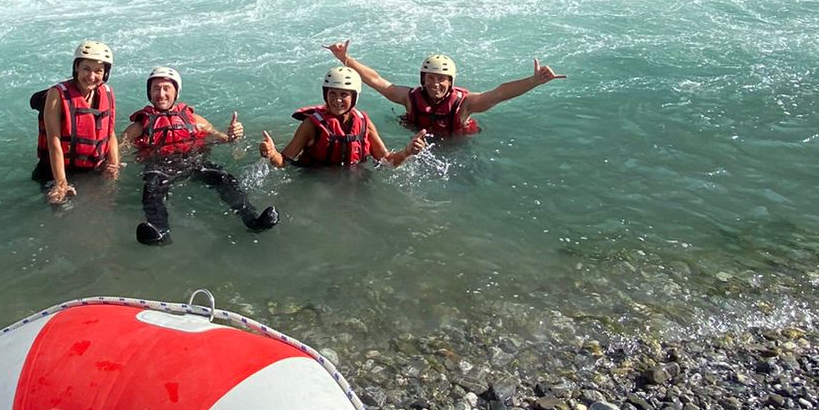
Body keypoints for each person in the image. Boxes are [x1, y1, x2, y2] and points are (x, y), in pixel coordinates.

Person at [125, 67, 280, 244]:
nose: (161, 94)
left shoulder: (195, 120)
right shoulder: (139, 127)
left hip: (194, 162)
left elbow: (221, 138)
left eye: (166, 88)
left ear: (176, 92)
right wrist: (111, 165)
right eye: (156, 88)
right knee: (151, 188)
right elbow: (118, 147)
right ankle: (160, 231)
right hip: (160, 168)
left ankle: (252, 219)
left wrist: (233, 135)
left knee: (224, 179)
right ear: (149, 93)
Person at [326, 41, 565, 138]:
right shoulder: (410, 98)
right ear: (423, 78)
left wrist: (534, 81)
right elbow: (378, 81)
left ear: (450, 82)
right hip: (419, 140)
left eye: (442, 79)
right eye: (431, 78)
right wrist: (346, 59)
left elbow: (500, 93)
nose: (435, 84)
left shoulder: (466, 104)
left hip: (456, 145)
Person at [259, 63, 428, 169]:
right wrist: (272, 154)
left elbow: (388, 161)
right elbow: (284, 163)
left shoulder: (364, 123)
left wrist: (407, 151)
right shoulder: (311, 125)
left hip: (354, 179)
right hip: (316, 181)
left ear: (354, 97)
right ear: (325, 94)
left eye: (344, 95)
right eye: (332, 94)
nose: (337, 100)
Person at [32, 41, 119, 205]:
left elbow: (110, 132)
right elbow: (54, 140)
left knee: (100, 209)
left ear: (105, 73)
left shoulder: (107, 93)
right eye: (86, 69)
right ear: (76, 68)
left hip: (90, 169)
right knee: (62, 209)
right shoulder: (56, 94)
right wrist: (61, 183)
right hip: (54, 169)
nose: (92, 76)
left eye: (98, 71)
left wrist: (113, 164)